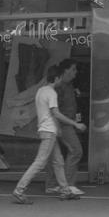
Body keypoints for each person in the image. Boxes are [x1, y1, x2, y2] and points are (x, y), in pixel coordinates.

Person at [10, 64, 86, 204]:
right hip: (49, 131)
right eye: (60, 78)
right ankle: (19, 190)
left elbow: (47, 113)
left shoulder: (41, 91)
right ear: (57, 78)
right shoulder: (51, 93)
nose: (61, 80)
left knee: (58, 161)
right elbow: (55, 113)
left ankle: (65, 190)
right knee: (40, 162)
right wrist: (75, 124)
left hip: (46, 130)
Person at [44, 59, 85, 197]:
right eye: (73, 69)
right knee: (76, 150)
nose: (76, 72)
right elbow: (55, 109)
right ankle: (67, 185)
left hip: (66, 123)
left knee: (55, 155)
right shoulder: (60, 87)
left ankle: (52, 185)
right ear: (65, 71)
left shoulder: (69, 85)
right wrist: (60, 126)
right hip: (63, 124)